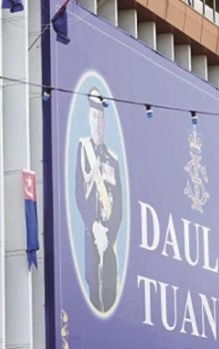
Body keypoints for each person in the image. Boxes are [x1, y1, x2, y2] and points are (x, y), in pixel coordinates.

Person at [75, 88, 122, 312]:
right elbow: (78, 192)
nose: (96, 123)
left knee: (110, 289)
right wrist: (93, 226)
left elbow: (119, 206)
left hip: (109, 240)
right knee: (93, 283)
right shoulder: (83, 149)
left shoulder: (114, 160)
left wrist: (109, 234)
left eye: (100, 118)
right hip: (90, 234)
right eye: (93, 117)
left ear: (105, 123)